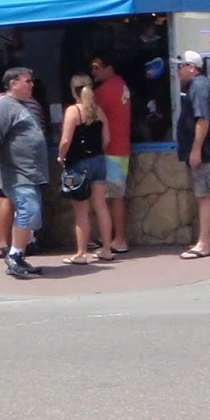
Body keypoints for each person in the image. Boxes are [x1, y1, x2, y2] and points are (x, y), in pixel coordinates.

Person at [0, 67, 50, 279]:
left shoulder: (24, 105)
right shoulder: (2, 106)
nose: (32, 85)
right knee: (28, 210)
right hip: (17, 173)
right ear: (13, 83)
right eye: (27, 81)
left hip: (31, 173)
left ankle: (18, 255)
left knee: (31, 214)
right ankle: (14, 256)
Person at [57, 73, 114, 264]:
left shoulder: (73, 111)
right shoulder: (98, 111)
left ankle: (81, 253)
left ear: (74, 91)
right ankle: (106, 249)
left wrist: (61, 157)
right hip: (99, 160)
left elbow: (66, 140)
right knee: (101, 206)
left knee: (81, 210)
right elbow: (106, 138)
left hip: (79, 162)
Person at [175, 49, 210, 259]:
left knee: (204, 197)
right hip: (207, 151)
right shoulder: (198, 86)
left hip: (206, 152)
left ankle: (203, 244)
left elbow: (202, 119)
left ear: (192, 67)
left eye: (181, 66)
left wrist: (196, 150)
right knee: (206, 197)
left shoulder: (199, 87)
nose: (178, 71)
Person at [89, 55, 133, 255]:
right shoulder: (121, 84)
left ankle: (120, 239)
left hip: (111, 150)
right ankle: (110, 236)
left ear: (109, 67)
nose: (94, 72)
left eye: (97, 67)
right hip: (120, 148)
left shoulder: (103, 92)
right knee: (112, 196)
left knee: (114, 197)